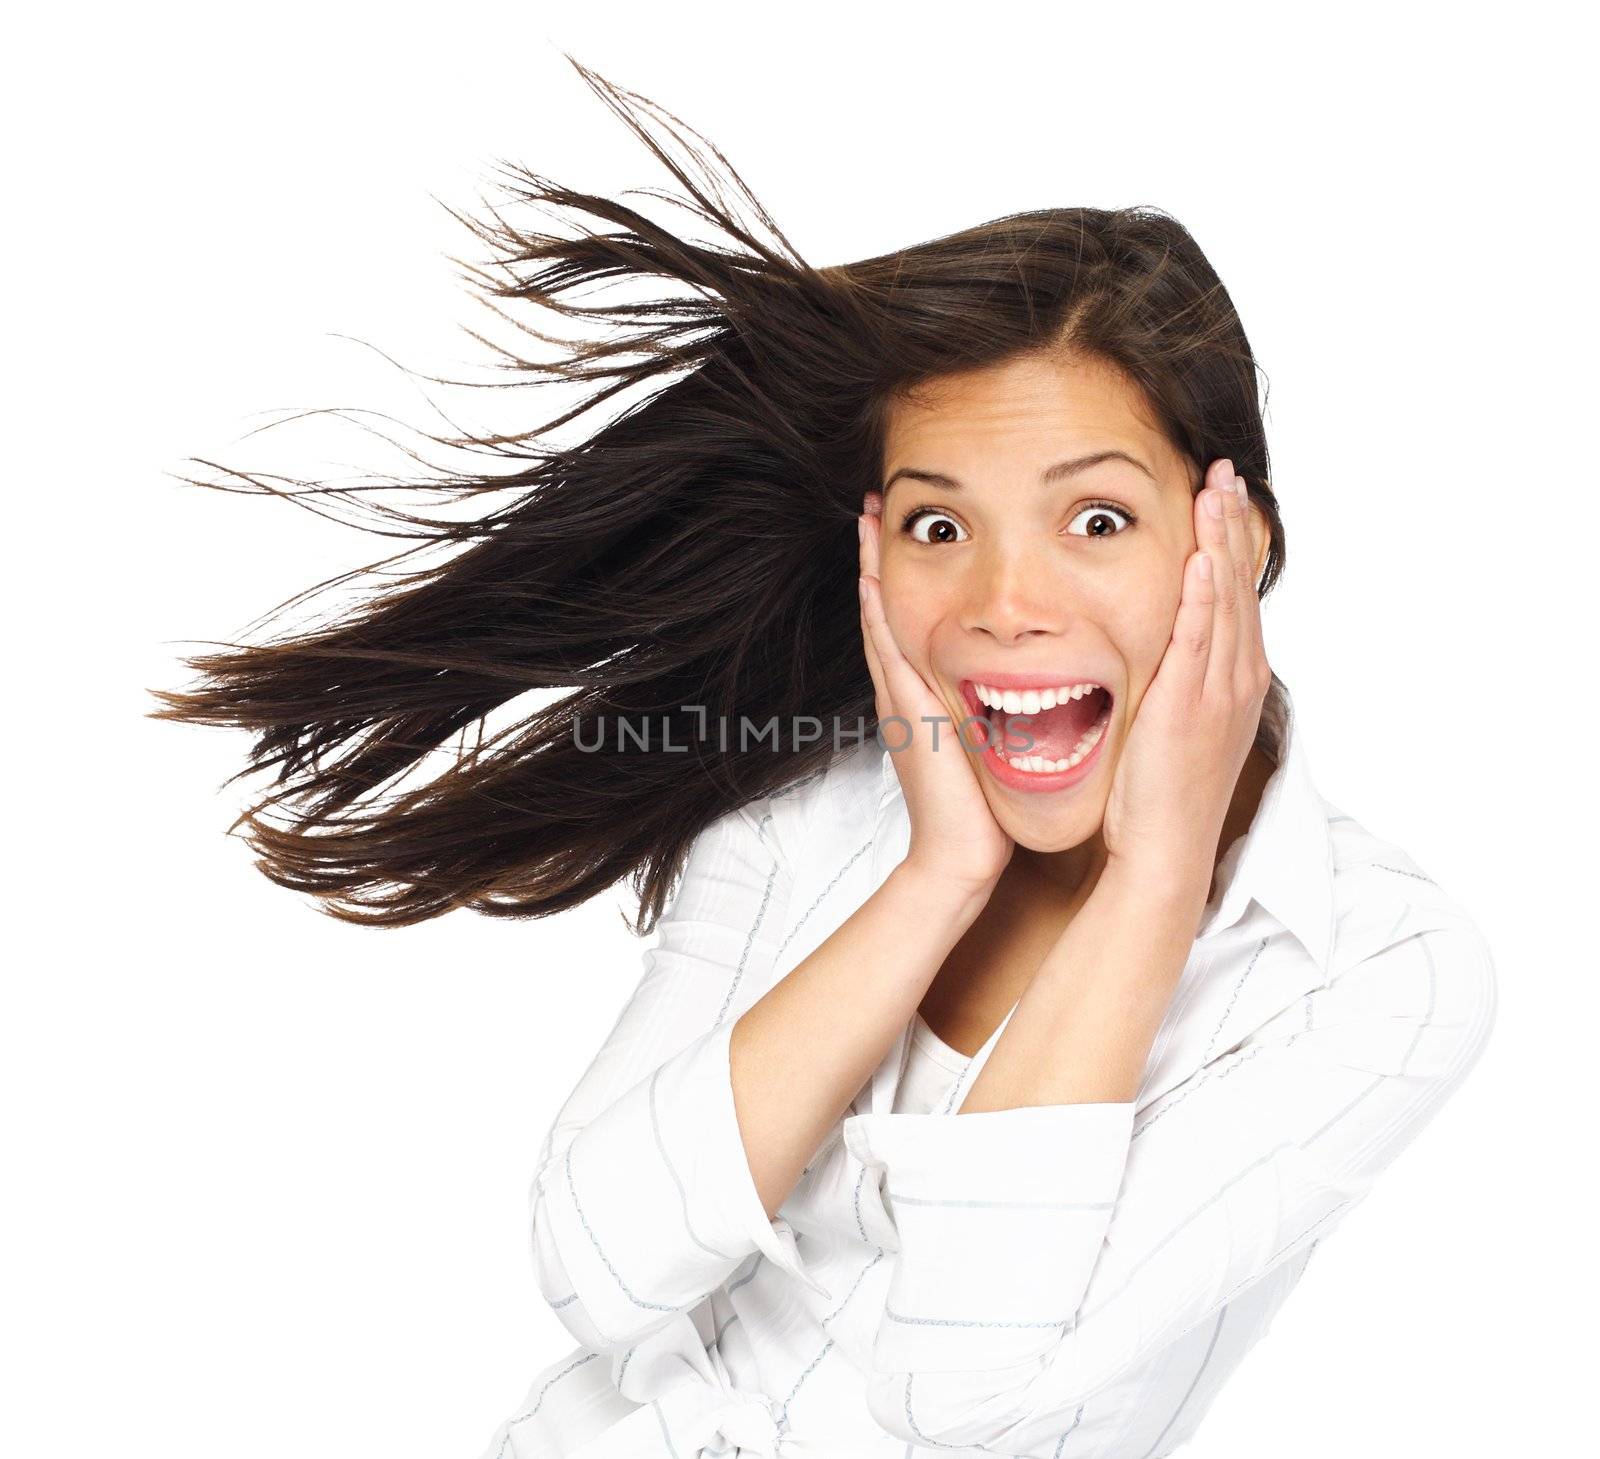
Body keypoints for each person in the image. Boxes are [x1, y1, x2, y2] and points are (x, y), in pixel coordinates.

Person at [148, 58, 1497, 1459]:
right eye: (936, 525)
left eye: (1095, 520)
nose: (1003, 602)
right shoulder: (812, 799)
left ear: (1236, 539)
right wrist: (936, 877)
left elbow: (958, 1404)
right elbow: (599, 1275)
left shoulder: (1384, 972)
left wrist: (1154, 878)